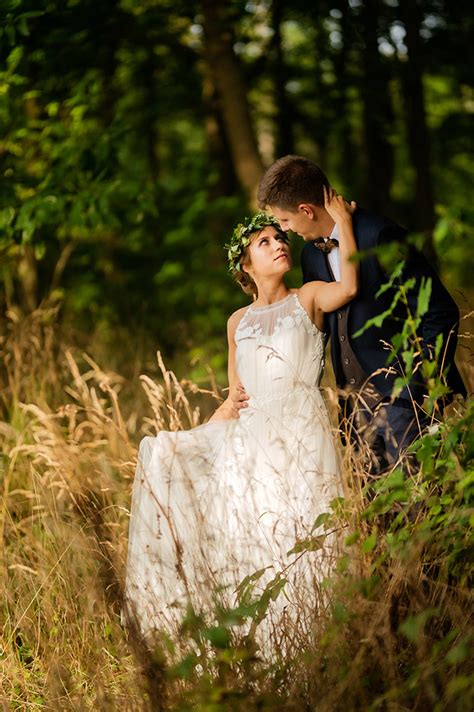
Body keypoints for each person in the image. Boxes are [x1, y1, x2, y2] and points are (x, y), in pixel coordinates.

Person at [123, 189, 357, 652]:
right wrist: (188, 441)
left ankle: (321, 648)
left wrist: (343, 224)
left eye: (279, 237)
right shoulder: (237, 323)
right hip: (251, 445)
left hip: (303, 434)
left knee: (308, 533)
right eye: (264, 242)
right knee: (258, 540)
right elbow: (235, 399)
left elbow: (348, 287)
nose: (278, 244)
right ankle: (268, 651)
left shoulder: (307, 297)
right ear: (245, 267)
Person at [248, 155, 466, 474]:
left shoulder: (380, 236)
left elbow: (439, 313)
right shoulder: (310, 256)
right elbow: (317, 328)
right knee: (378, 515)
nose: (286, 231)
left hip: (406, 403)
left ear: (306, 211)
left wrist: (415, 389)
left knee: (421, 502)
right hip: (354, 413)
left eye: (284, 221)